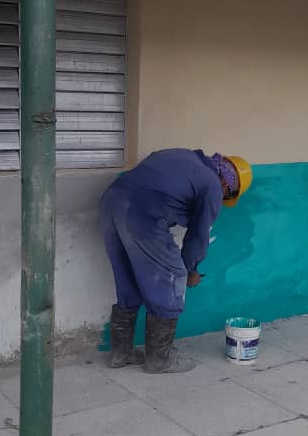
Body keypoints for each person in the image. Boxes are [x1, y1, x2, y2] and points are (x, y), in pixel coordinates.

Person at [101, 149, 253, 374]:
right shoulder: (212, 185)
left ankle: (121, 353)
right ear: (227, 184)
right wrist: (191, 268)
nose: (222, 199)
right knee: (173, 277)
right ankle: (159, 359)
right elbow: (198, 235)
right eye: (226, 196)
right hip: (142, 214)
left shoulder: (187, 158)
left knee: (128, 276)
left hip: (111, 201)